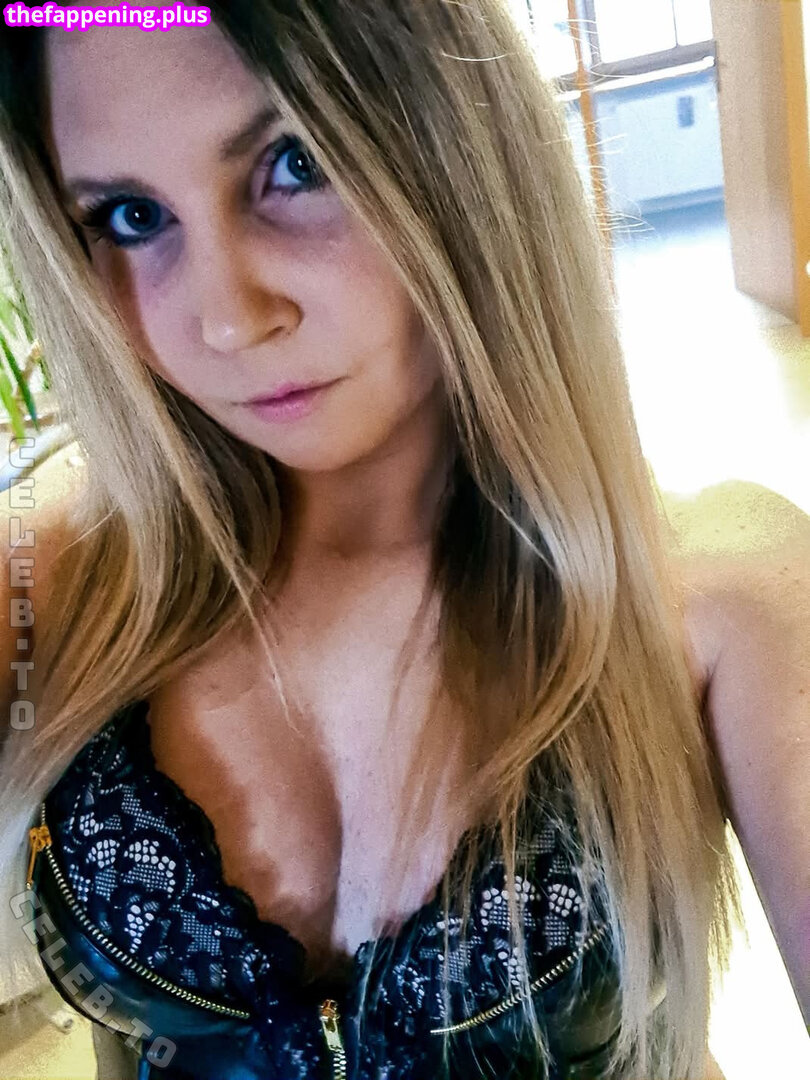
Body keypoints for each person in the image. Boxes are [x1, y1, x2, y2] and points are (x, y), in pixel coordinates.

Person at [0, 2, 806, 1077]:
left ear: (464, 143)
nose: (228, 318)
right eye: (133, 217)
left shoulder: (720, 596)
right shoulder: (57, 576)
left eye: (297, 163)